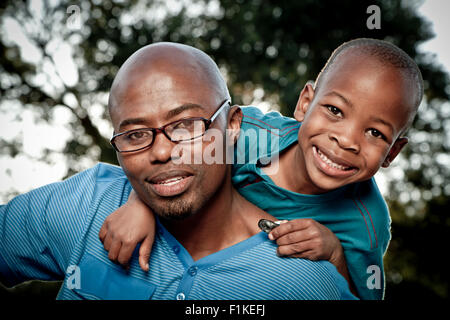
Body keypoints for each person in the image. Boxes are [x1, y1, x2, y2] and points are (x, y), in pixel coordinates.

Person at [0, 42, 356, 300]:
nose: (161, 151)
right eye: (136, 134)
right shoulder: (87, 204)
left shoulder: (302, 280)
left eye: (186, 125)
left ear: (232, 127)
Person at [99, 38, 424, 299]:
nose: (347, 140)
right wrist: (139, 204)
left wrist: (335, 255)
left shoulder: (366, 221)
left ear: (392, 151)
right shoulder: (250, 133)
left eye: (375, 133)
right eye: (335, 110)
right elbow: (168, 154)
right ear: (305, 103)